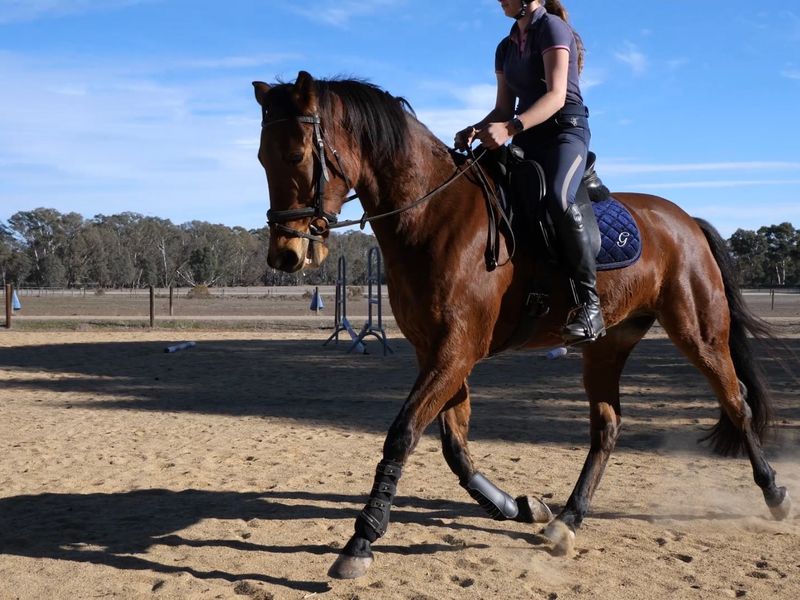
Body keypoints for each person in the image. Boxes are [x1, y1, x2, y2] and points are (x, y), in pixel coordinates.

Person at [454, 0, 605, 344]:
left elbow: (554, 96)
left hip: (565, 131)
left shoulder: (552, 27)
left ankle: (590, 306)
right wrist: (477, 129)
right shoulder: (505, 47)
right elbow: (503, 107)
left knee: (556, 196)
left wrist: (509, 129)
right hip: (526, 134)